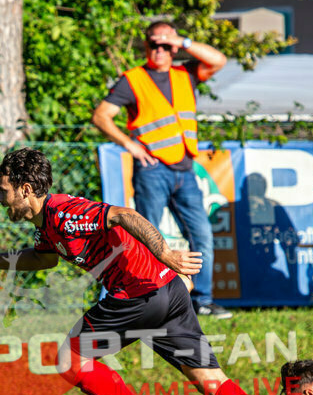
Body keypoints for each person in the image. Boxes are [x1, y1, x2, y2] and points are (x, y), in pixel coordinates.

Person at [0, 148, 291, 395]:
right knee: (212, 382)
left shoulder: (64, 213)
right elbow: (44, 259)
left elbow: (124, 215)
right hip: (169, 293)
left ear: (26, 189)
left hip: (138, 296)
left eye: (3, 190)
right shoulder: (48, 225)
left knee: (69, 360)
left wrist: (165, 253)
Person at [91, 20, 232, 319]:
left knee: (203, 235)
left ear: (174, 47)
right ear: (146, 46)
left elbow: (219, 60)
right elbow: (101, 116)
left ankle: (202, 300)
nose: (159, 49)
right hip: (152, 170)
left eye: (165, 44)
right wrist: (129, 145)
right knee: (145, 238)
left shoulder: (185, 73)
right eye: (153, 44)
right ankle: (141, 298)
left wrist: (182, 41)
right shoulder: (133, 79)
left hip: (186, 169)